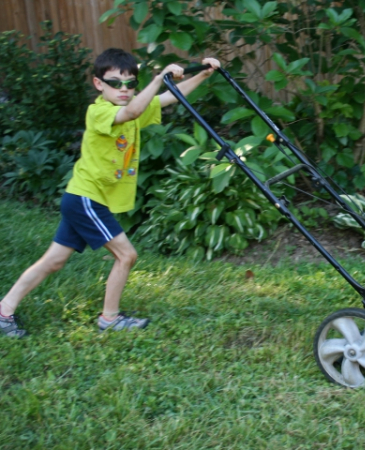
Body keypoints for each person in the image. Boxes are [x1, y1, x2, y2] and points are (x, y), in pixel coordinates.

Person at [0, 48, 220, 337]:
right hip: (86, 199)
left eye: (130, 83)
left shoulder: (135, 107)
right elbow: (132, 110)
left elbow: (168, 97)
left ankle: (4, 311)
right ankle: (110, 319)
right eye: (115, 83)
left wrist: (203, 73)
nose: (124, 89)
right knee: (126, 255)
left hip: (85, 198)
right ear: (98, 84)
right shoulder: (100, 112)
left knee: (54, 261)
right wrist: (158, 78)